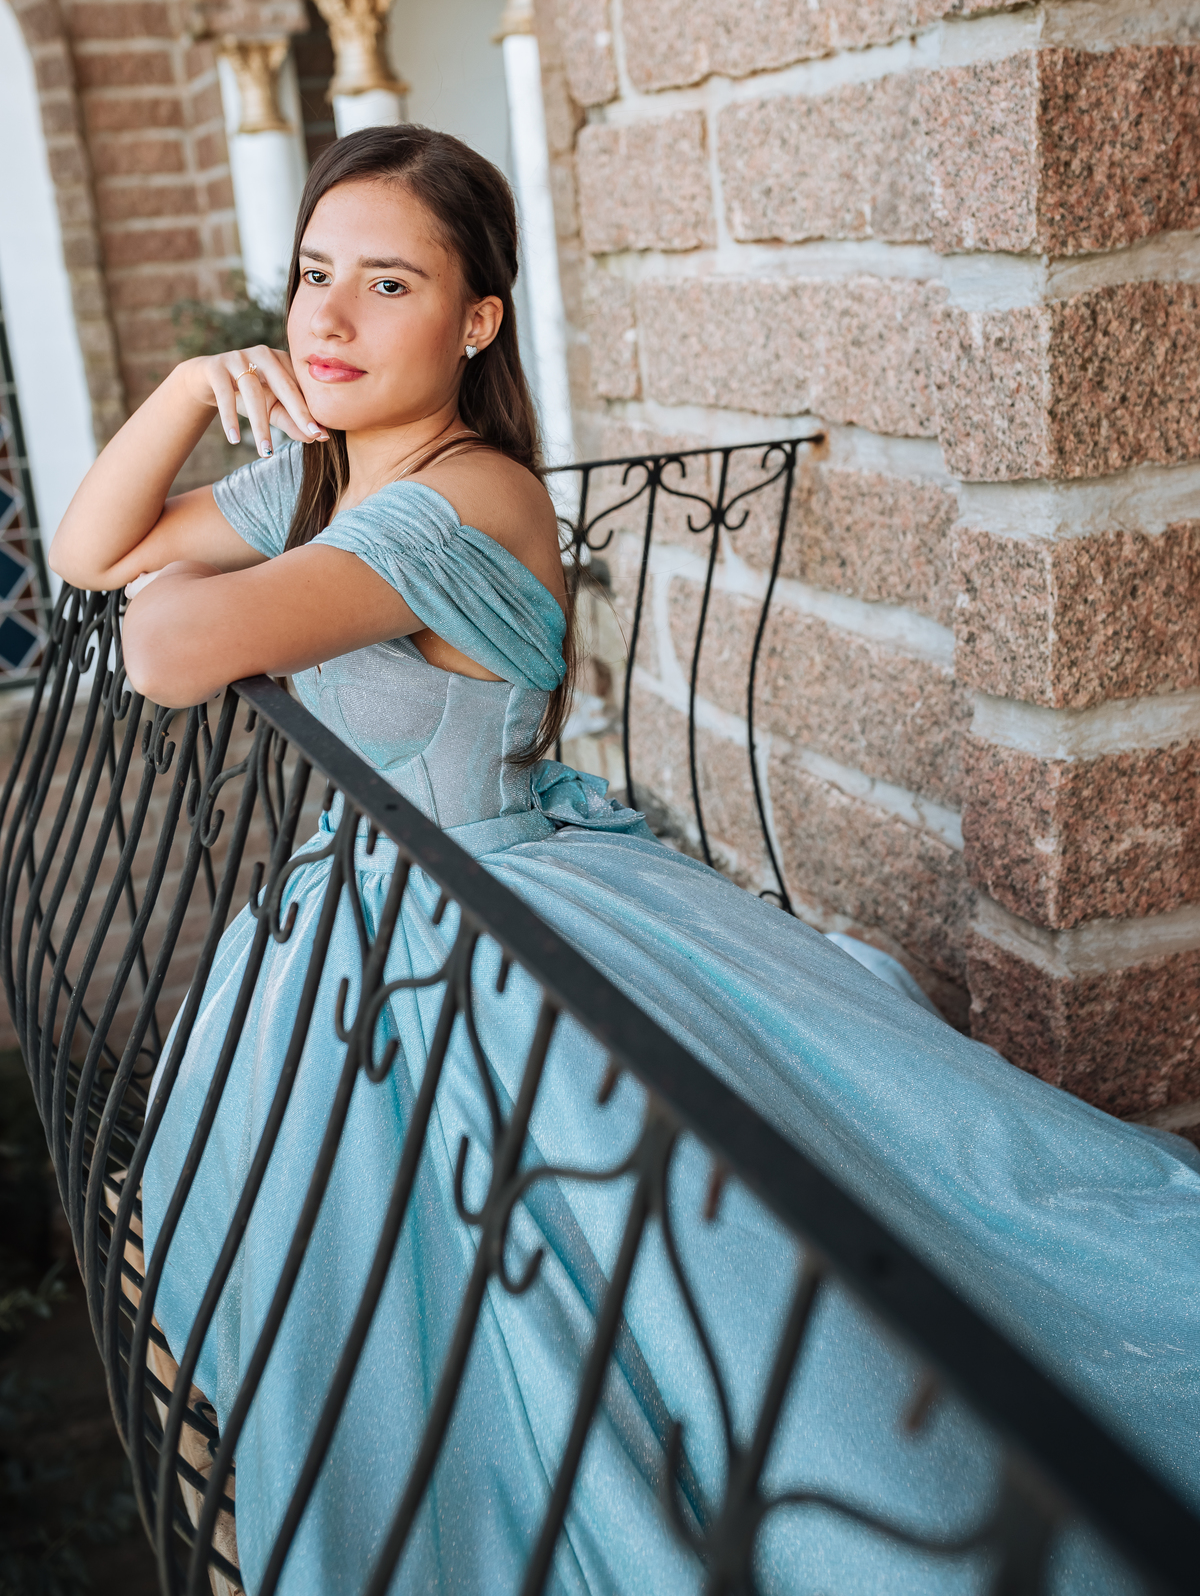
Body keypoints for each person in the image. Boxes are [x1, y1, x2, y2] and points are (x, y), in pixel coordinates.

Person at [51, 127, 1200, 1596]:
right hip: (364, 911)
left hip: (486, 910)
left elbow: (164, 647)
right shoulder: (324, 478)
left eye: (386, 283)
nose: (326, 320)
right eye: (311, 276)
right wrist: (186, 390)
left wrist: (188, 580)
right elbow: (97, 556)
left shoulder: (465, 499)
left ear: (478, 320)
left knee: (669, 1302)